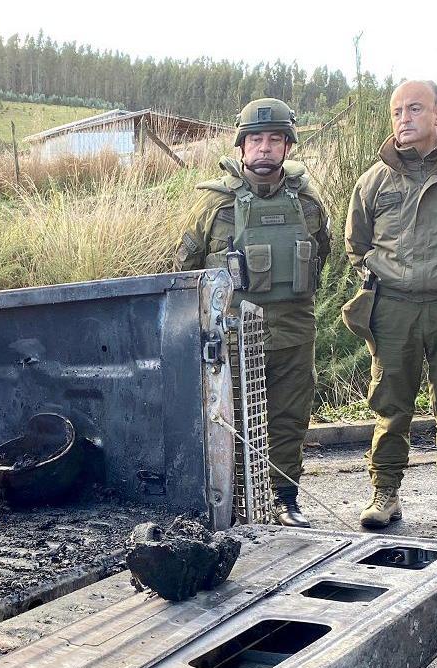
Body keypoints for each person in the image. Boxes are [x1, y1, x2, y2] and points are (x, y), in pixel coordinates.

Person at [177, 98, 333, 527]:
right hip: (232, 336)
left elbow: (323, 254)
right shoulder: (213, 206)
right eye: (256, 139)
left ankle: (286, 499)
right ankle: (235, 504)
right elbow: (186, 273)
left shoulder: (308, 204)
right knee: (230, 421)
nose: (265, 148)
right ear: (242, 147)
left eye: (275, 139)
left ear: (287, 146)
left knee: (289, 419)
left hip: (294, 332)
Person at [346, 80, 437, 533]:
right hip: (394, 309)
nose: (404, 119)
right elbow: (357, 245)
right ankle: (385, 493)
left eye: (414, 109)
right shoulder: (374, 180)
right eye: (396, 112)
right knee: (391, 407)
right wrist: (384, 276)